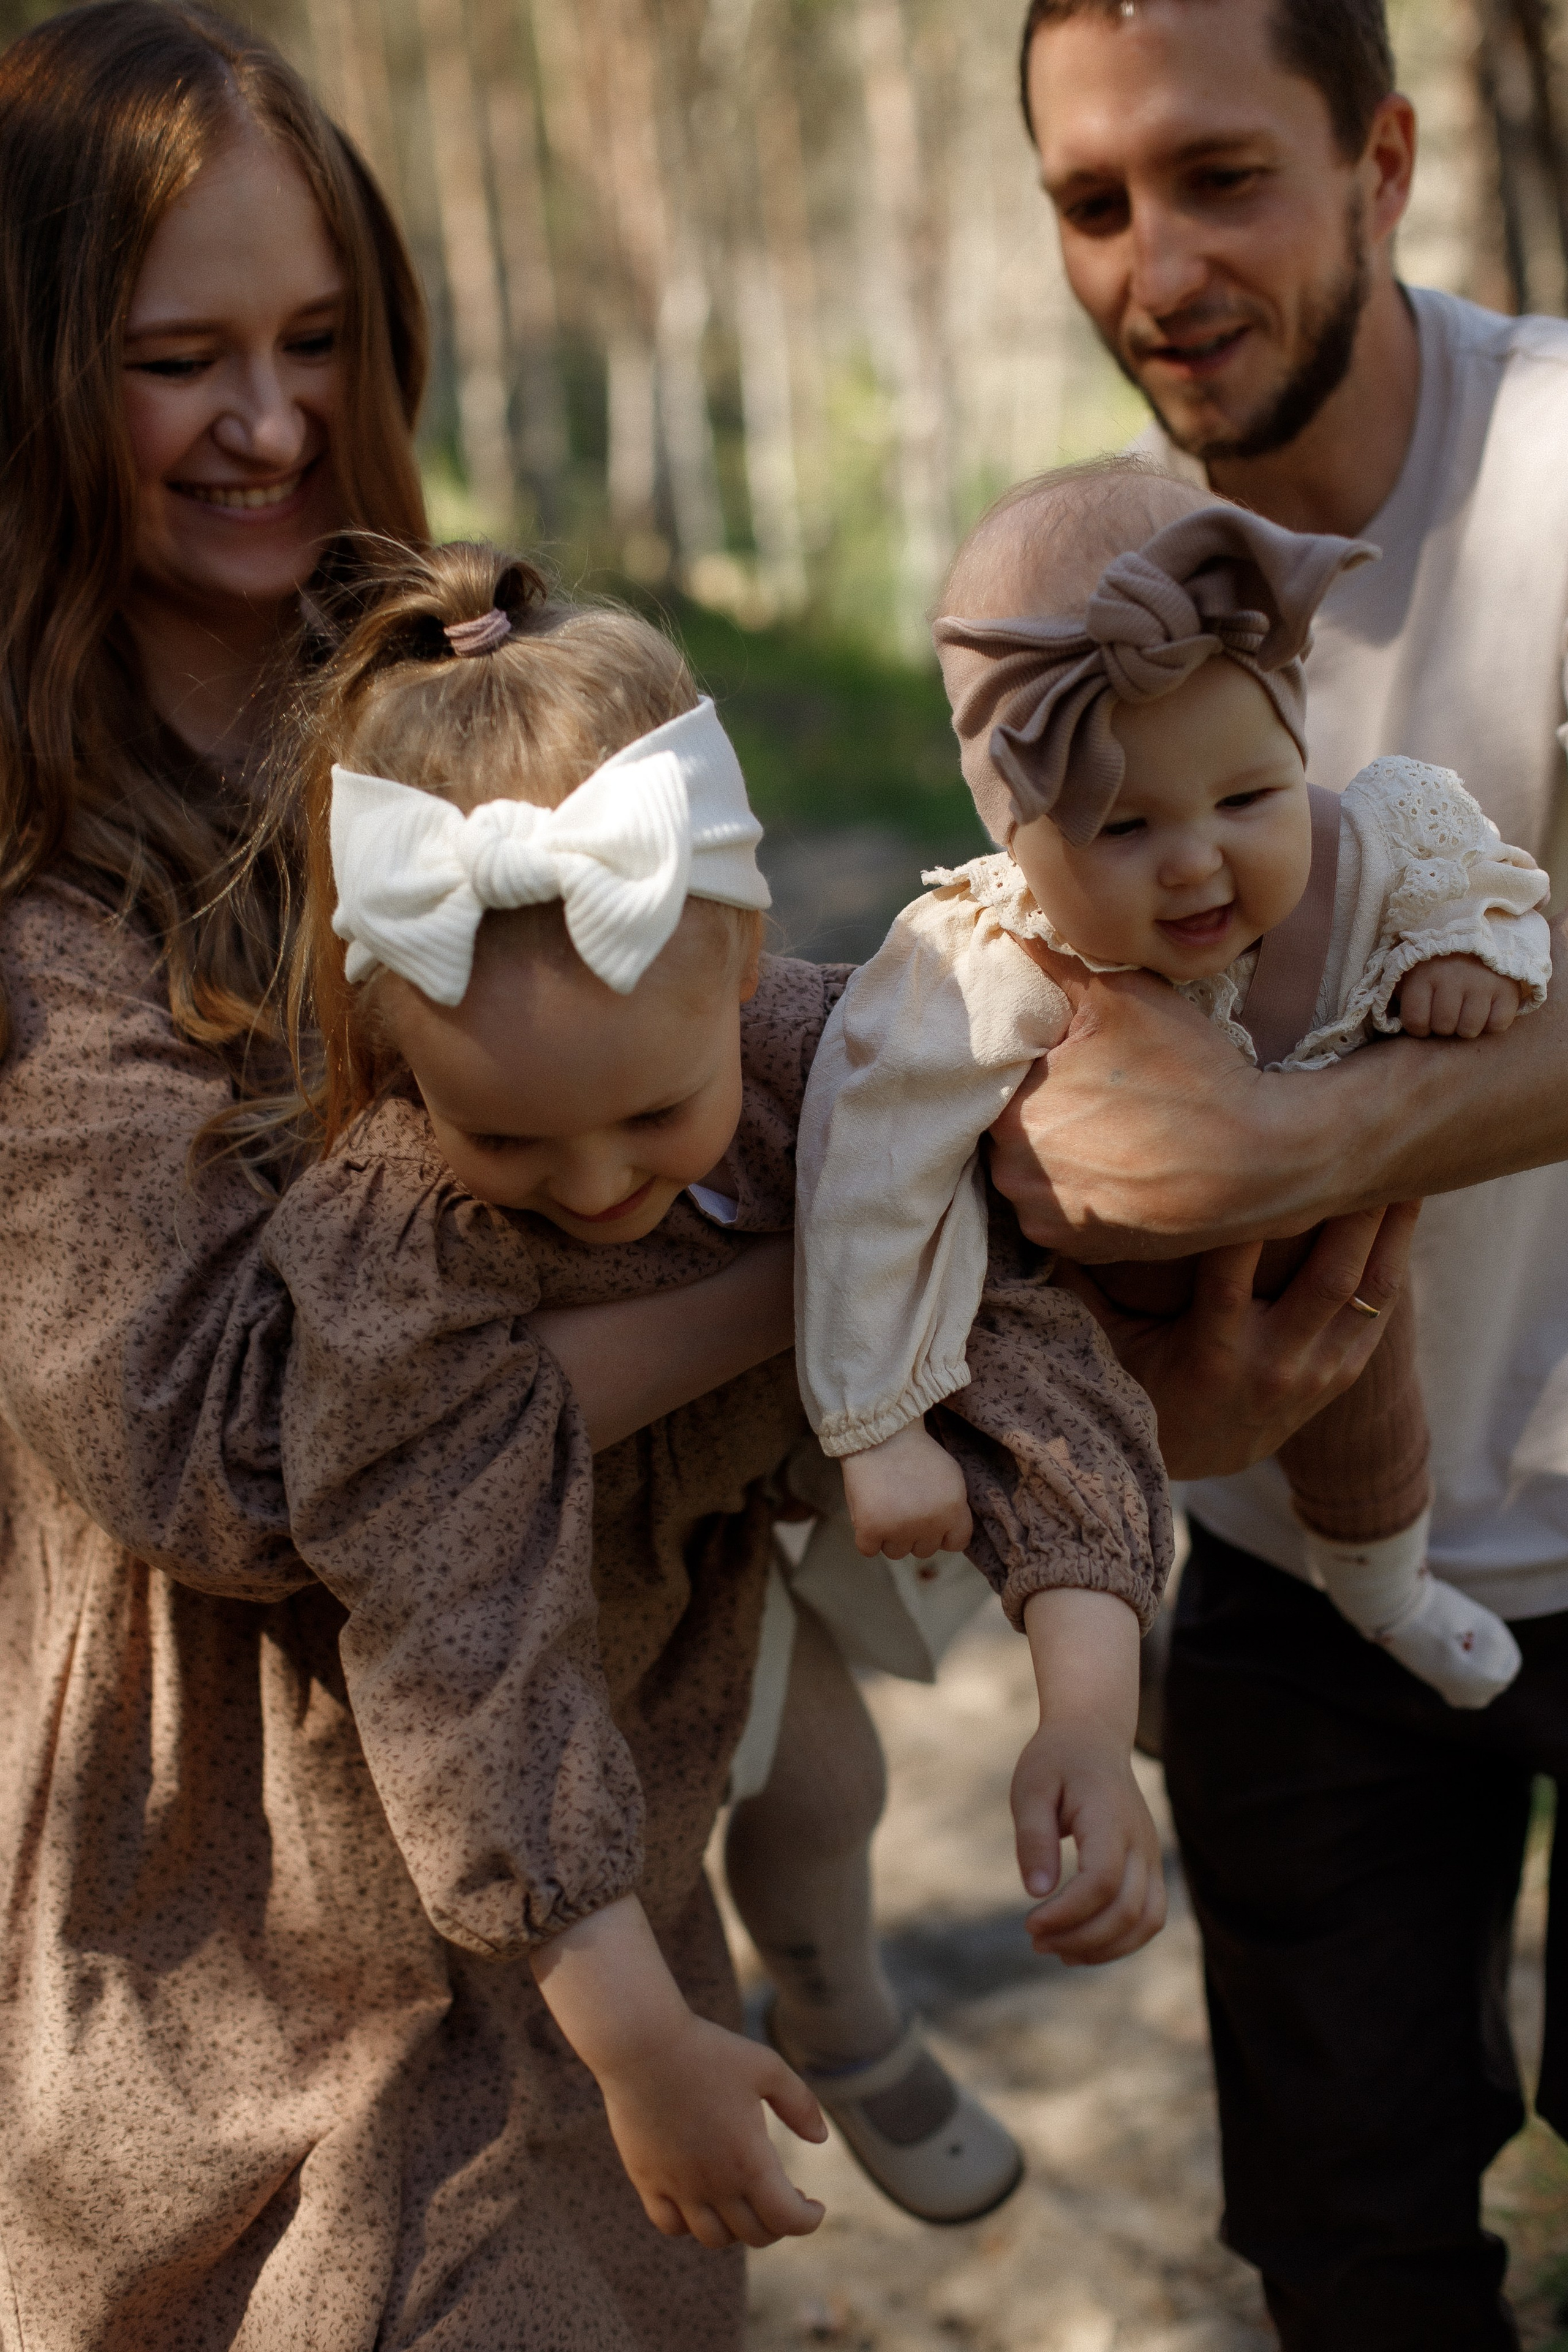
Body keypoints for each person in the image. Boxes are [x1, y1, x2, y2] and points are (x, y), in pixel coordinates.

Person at [0, 5, 821, 2339]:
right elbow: (224, 1451)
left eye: (317, 339)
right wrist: (813, 1285)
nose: (268, 422)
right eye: (181, 359)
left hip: (588, 1843)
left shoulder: (497, 695)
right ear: (44, 372)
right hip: (228, 1937)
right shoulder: (35, 875)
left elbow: (744, 1029)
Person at [264, 537, 1172, 2260]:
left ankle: (839, 2008)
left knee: (825, 1790)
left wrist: (1079, 1692)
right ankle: (664, 2059)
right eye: (510, 1137)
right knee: (563, 1904)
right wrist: (635, 2040)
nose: (597, 1181)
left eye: (651, 1117)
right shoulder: (396, 1256)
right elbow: (460, 1651)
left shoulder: (843, 1071)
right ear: (391, 1048)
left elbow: (1025, 1341)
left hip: (732, 1562)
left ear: (746, 960)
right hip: (527, 1649)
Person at [993, 0, 1568, 2341]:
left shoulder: (1554, 464)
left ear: (1387, 160)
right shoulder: (1096, 581)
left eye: (1221, 177)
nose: (1155, 265)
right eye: (1092, 203)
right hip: (1286, 1577)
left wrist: (1267, 1146)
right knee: (1351, 2263)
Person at [796, 458, 1550, 1709]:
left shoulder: (1369, 848)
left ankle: (1384, 1583)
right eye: (1121, 826)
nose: (1196, 861)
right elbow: (866, 1167)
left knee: (1367, 1353)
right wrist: (876, 1424)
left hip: (1329, 1274)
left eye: (1247, 796)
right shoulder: (990, 959)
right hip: (1097, 1325)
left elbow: (1481, 881)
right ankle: (1089, 1678)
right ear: (1012, 836)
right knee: (1052, 1426)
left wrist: (1468, 949)